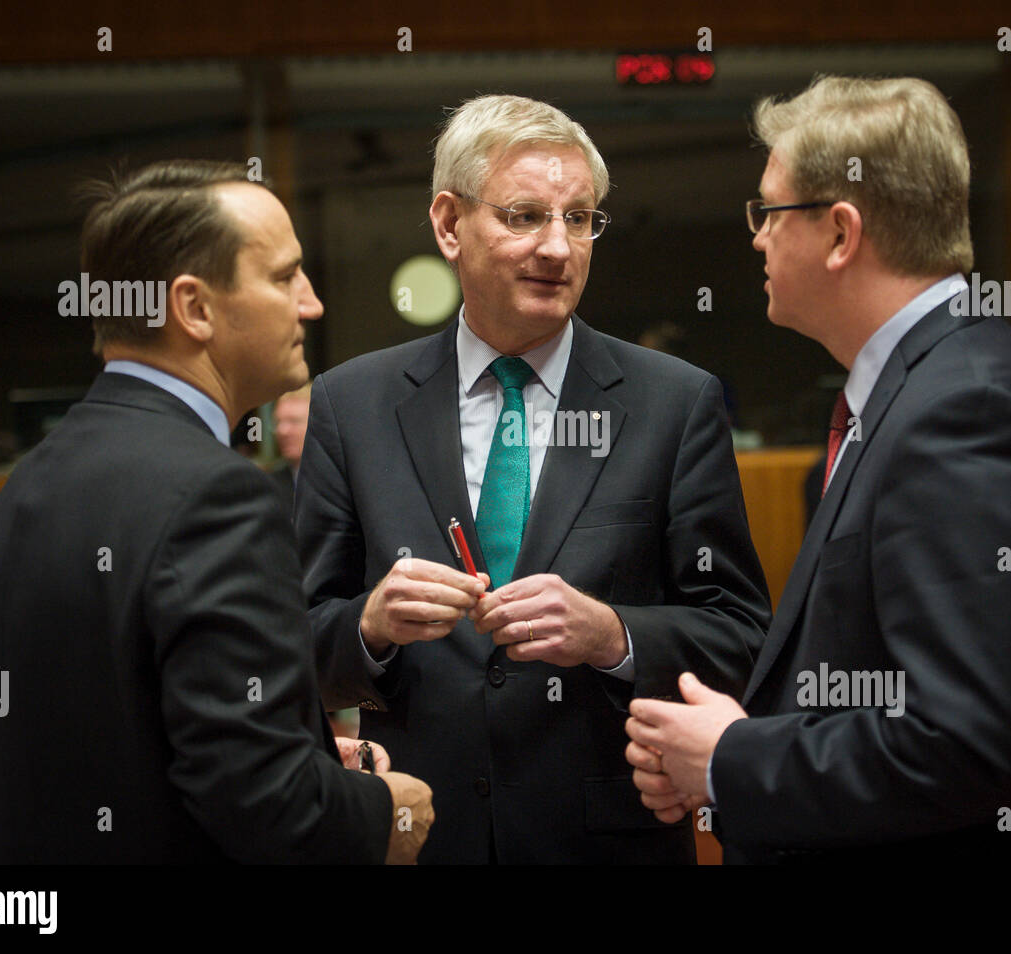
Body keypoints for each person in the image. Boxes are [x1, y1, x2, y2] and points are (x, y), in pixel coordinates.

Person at [626, 76, 1011, 864]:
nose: (757, 237)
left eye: (768, 211)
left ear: (841, 232)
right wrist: (728, 758)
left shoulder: (962, 412)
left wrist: (734, 759)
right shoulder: (942, 380)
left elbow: (967, 743)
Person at [296, 95, 771, 864]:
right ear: (449, 224)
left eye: (579, 219)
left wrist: (611, 636)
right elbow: (293, 645)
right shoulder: (353, 406)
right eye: (524, 217)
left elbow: (743, 639)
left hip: (607, 839)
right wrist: (371, 625)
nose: (558, 247)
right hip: (423, 834)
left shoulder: (673, 403)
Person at [0, 160, 433, 864]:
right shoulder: (219, 496)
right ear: (194, 308)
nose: (311, 303)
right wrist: (384, 812)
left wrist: (297, 746)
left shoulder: (26, 486)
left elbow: (116, 738)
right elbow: (268, 807)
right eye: (282, 276)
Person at [270, 381, 311, 506]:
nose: (282, 431)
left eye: (294, 421)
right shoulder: (268, 487)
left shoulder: (346, 481)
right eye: (278, 422)